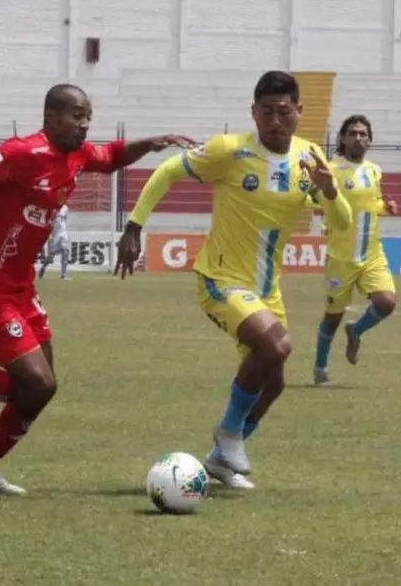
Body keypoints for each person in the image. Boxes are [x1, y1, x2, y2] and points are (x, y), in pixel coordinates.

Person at [0, 84, 194, 494]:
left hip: (20, 288)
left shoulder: (76, 155)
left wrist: (150, 143)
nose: (84, 125)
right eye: (76, 116)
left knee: (40, 388)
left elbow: (112, 157)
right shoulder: (22, 153)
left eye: (88, 117)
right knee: (37, 384)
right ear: (50, 116)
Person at [114, 71, 353, 490]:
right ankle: (228, 435)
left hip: (265, 291)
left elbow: (342, 222)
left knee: (274, 382)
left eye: (284, 111)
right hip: (220, 278)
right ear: (253, 114)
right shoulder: (230, 151)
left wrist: (331, 192)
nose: (275, 121)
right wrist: (134, 225)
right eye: (266, 112)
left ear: (300, 111)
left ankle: (221, 461)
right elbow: (169, 169)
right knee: (277, 345)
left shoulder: (310, 158)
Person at [310, 114, 399, 385]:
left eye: (363, 134)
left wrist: (386, 207)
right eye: (353, 133)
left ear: (369, 140)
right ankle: (320, 367)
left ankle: (356, 331)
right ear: (344, 138)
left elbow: (372, 203)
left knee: (386, 302)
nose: (358, 137)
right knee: (332, 316)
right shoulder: (332, 168)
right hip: (341, 256)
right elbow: (315, 198)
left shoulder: (374, 170)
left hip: (372, 253)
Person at [39, 203, 70, 280]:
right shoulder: (51, 208)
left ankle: (63, 275)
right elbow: (48, 221)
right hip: (55, 234)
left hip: (63, 232)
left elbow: (65, 219)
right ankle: (44, 267)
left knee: (65, 251)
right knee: (52, 254)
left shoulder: (65, 207)